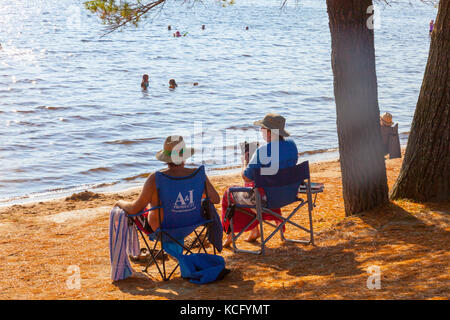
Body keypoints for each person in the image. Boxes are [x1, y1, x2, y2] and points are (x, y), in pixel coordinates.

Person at [115, 135, 220, 234]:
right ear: (184, 156)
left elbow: (134, 209)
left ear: (166, 158)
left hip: (161, 230)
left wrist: (120, 203)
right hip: (190, 226)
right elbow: (216, 199)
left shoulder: (155, 179)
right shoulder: (197, 175)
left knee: (131, 212)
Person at [222, 113, 299, 247]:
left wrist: (244, 162)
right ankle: (254, 231)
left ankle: (230, 235)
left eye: (262, 129)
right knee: (253, 185)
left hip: (267, 199)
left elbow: (246, 176)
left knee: (229, 194)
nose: (261, 131)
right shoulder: (292, 145)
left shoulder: (262, 150)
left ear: (270, 132)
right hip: (289, 193)